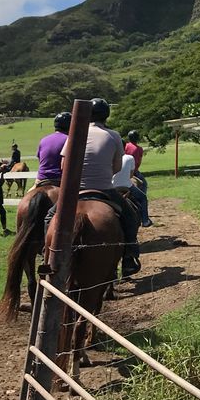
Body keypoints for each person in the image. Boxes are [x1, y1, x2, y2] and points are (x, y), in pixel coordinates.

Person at [59, 98, 140, 276]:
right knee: (131, 217)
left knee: (49, 217)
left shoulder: (75, 133)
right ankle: (128, 258)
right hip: (104, 189)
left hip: (76, 191)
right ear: (106, 116)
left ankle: (48, 253)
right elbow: (117, 167)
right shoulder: (114, 135)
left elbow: (64, 165)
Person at [121, 130, 152, 228]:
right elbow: (138, 163)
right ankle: (145, 219)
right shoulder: (139, 149)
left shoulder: (125, 146)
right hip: (133, 172)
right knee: (143, 186)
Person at [37, 112, 69, 186]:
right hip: (60, 179)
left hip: (41, 179)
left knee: (29, 192)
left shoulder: (43, 140)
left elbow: (40, 160)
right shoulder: (69, 140)